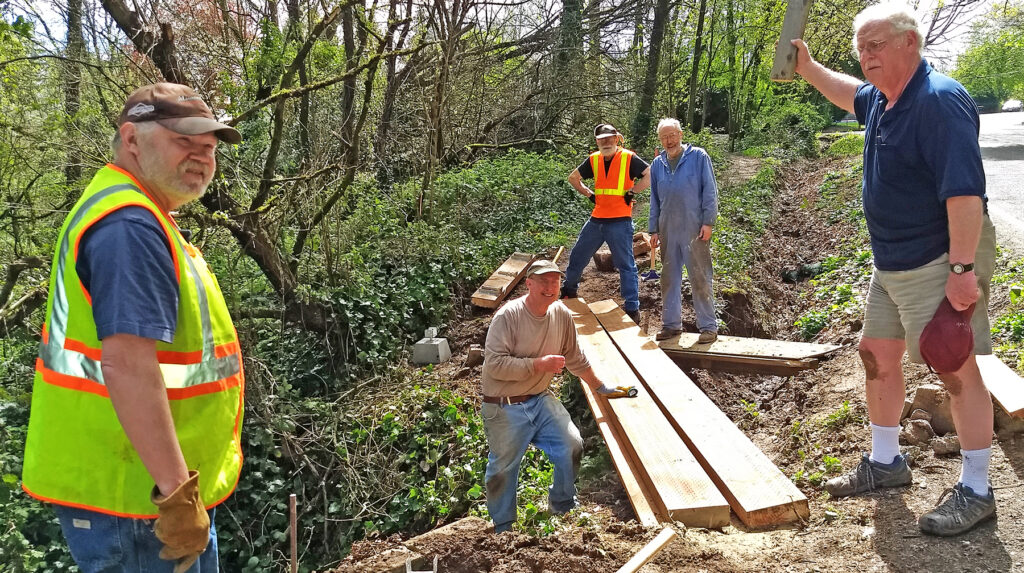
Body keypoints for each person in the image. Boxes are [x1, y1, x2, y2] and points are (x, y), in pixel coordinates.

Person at [792, 3, 998, 536]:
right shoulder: (885, 99)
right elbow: (846, 93)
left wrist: (961, 268)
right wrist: (809, 67)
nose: (866, 57)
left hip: (938, 257)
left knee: (954, 367)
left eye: (876, 45)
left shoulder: (939, 101)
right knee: (877, 355)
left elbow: (965, 195)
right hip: (890, 262)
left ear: (910, 42)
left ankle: (977, 489)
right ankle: (887, 462)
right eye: (862, 48)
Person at [21, 83, 245, 571]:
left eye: (208, 148)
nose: (201, 156)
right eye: (184, 141)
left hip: (138, 489)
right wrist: (176, 495)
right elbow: (127, 364)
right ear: (132, 139)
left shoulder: (135, 213)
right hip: (138, 500)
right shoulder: (130, 225)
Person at [482, 260, 633, 533]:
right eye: (544, 281)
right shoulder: (509, 316)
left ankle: (562, 507)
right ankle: (503, 531)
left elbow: (575, 358)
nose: (550, 287)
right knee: (503, 470)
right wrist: (539, 364)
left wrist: (601, 387)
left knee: (571, 444)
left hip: (539, 400)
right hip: (504, 407)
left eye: (555, 281)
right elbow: (494, 366)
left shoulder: (561, 313)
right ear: (529, 284)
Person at [561, 124, 651, 324]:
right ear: (597, 141)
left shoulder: (628, 158)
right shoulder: (593, 160)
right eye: (602, 139)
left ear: (617, 138)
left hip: (620, 220)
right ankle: (568, 292)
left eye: (610, 138)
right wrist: (589, 194)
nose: (606, 142)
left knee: (626, 265)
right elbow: (573, 178)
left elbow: (650, 174)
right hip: (597, 218)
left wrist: (633, 191)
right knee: (577, 256)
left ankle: (632, 308)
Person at [648, 118, 719, 344]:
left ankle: (708, 327)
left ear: (680, 134)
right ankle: (671, 325)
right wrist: (654, 229)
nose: (669, 141)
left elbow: (709, 191)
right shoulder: (658, 164)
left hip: (694, 228)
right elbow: (654, 200)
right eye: (664, 137)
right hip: (668, 228)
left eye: (672, 135)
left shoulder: (698, 157)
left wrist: (708, 222)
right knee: (668, 278)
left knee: (699, 277)